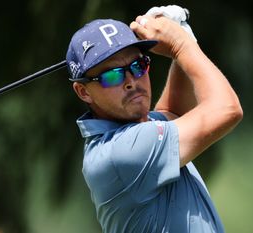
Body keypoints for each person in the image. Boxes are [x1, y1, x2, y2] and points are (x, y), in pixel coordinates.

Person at [66, 6, 243, 233]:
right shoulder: (119, 152)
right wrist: (181, 45)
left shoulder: (139, 131)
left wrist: (185, 36)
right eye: (112, 75)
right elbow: (227, 110)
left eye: (138, 66)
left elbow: (173, 113)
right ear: (83, 92)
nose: (131, 81)